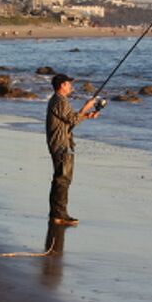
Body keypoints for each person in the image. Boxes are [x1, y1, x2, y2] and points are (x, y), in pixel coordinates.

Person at [45, 74, 99, 226]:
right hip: (61, 145)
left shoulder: (59, 101)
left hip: (62, 144)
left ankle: (57, 214)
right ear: (62, 85)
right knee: (62, 180)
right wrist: (86, 107)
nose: (71, 87)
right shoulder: (59, 101)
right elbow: (73, 119)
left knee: (61, 179)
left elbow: (69, 119)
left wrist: (87, 116)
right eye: (69, 84)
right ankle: (58, 215)